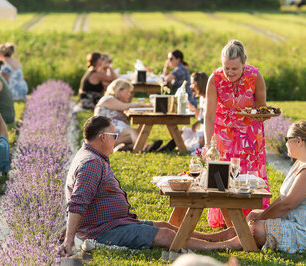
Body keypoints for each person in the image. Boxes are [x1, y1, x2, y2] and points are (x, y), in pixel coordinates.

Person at [59, 116, 242, 256]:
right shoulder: (91, 163)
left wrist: (70, 229)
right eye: (114, 136)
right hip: (102, 230)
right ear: (102, 138)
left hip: (114, 222)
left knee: (165, 225)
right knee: (166, 236)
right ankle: (224, 245)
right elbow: (77, 203)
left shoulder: (91, 156)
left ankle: (214, 237)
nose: (116, 139)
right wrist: (69, 239)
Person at [244, 120, 306, 253]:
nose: (286, 143)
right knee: (253, 215)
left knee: (257, 229)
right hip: (297, 218)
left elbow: (287, 204)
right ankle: (215, 238)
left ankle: (217, 243)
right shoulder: (300, 163)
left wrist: (262, 219)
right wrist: (261, 216)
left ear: (299, 141)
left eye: (287, 139)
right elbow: (283, 198)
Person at [204, 40, 270, 228]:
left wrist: (261, 115)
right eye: (227, 68)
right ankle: (228, 221)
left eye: (235, 68)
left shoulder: (255, 76)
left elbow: (261, 109)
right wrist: (209, 144)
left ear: (244, 64)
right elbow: (209, 116)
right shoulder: (214, 78)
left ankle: (251, 219)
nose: (230, 73)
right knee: (224, 177)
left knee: (249, 176)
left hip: (250, 135)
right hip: (223, 135)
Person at [94, 78, 162, 152]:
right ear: (119, 90)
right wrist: (144, 105)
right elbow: (124, 106)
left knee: (137, 133)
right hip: (104, 136)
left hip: (113, 136)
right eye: (127, 92)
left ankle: (149, 148)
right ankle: (145, 148)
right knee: (131, 132)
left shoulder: (120, 102)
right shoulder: (107, 99)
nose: (129, 95)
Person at [158, 72, 208, 153]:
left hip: (207, 132)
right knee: (181, 133)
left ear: (199, 84)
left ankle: (174, 146)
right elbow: (202, 118)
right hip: (201, 130)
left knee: (199, 141)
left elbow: (209, 120)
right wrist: (193, 110)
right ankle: (167, 147)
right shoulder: (202, 99)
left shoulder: (209, 100)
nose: (190, 86)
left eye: (192, 84)